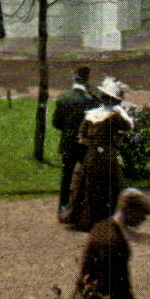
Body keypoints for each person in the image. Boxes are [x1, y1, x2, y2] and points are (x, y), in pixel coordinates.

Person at [61, 77, 135, 232]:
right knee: (109, 185)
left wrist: (92, 142)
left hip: (92, 154)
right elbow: (129, 127)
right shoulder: (115, 116)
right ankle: (107, 218)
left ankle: (88, 218)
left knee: (88, 184)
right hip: (106, 154)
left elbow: (82, 138)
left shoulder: (91, 115)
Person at [52, 66, 95, 212]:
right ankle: (84, 207)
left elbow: (56, 123)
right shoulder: (90, 99)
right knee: (86, 176)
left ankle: (63, 207)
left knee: (67, 176)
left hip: (68, 143)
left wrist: (67, 129)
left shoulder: (63, 98)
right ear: (87, 80)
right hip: (84, 144)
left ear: (74, 79)